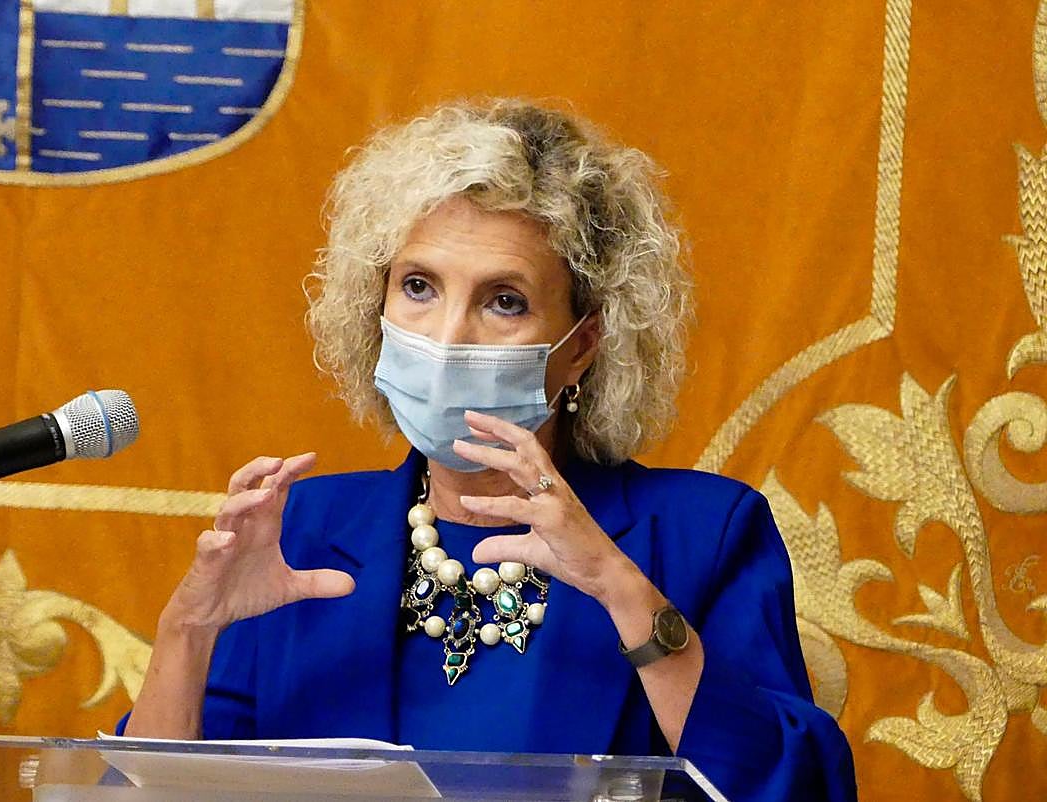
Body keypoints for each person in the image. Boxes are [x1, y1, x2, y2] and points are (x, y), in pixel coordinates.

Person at [121, 98, 858, 801]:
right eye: (418, 286)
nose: (447, 337)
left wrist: (619, 587)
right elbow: (147, 796)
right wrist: (190, 629)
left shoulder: (700, 534)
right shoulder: (300, 532)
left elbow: (796, 788)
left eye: (504, 300)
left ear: (582, 346)